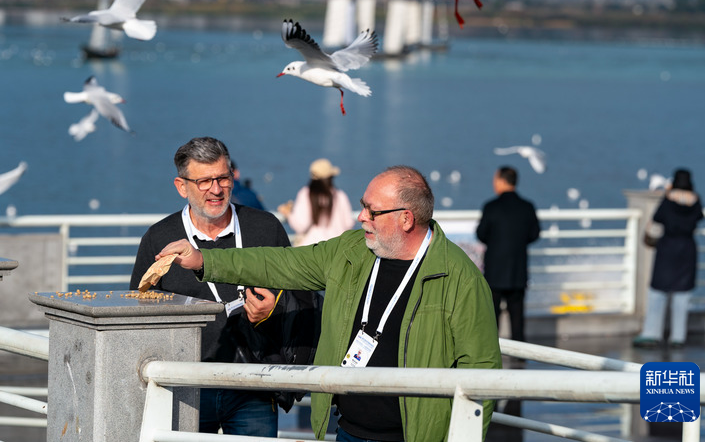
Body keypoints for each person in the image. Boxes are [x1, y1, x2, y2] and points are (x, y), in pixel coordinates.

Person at [158, 165, 502, 442]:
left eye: (371, 210)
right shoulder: (351, 251)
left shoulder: (458, 278)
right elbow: (280, 264)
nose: (360, 217)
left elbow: (482, 373)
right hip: (348, 431)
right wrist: (205, 260)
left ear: (406, 219)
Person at [130, 137, 320, 437]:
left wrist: (273, 309)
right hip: (186, 384)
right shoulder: (159, 237)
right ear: (182, 186)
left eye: (222, 177)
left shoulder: (264, 227)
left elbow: (300, 294)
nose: (216, 189)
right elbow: (139, 313)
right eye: (204, 181)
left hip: (254, 381)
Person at [633, 168, 704, 349]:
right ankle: (678, 337)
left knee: (658, 292)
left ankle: (651, 333)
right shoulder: (695, 202)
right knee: (682, 294)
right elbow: (699, 217)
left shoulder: (668, 201)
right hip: (687, 249)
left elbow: (657, 218)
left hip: (667, 249)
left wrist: (667, 193)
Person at [476, 166, 540, 343]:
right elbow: (534, 233)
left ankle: (491, 353)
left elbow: (481, 234)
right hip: (517, 270)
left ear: (502, 181)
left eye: (495, 179)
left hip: (495, 271)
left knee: (491, 318)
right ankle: (520, 356)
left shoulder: (491, 207)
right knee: (517, 317)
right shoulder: (527, 207)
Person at [277, 158, 355, 246]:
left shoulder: (306, 194)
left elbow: (301, 225)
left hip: (311, 249)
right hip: (336, 247)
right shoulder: (340, 196)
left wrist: (288, 214)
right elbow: (349, 223)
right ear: (330, 177)